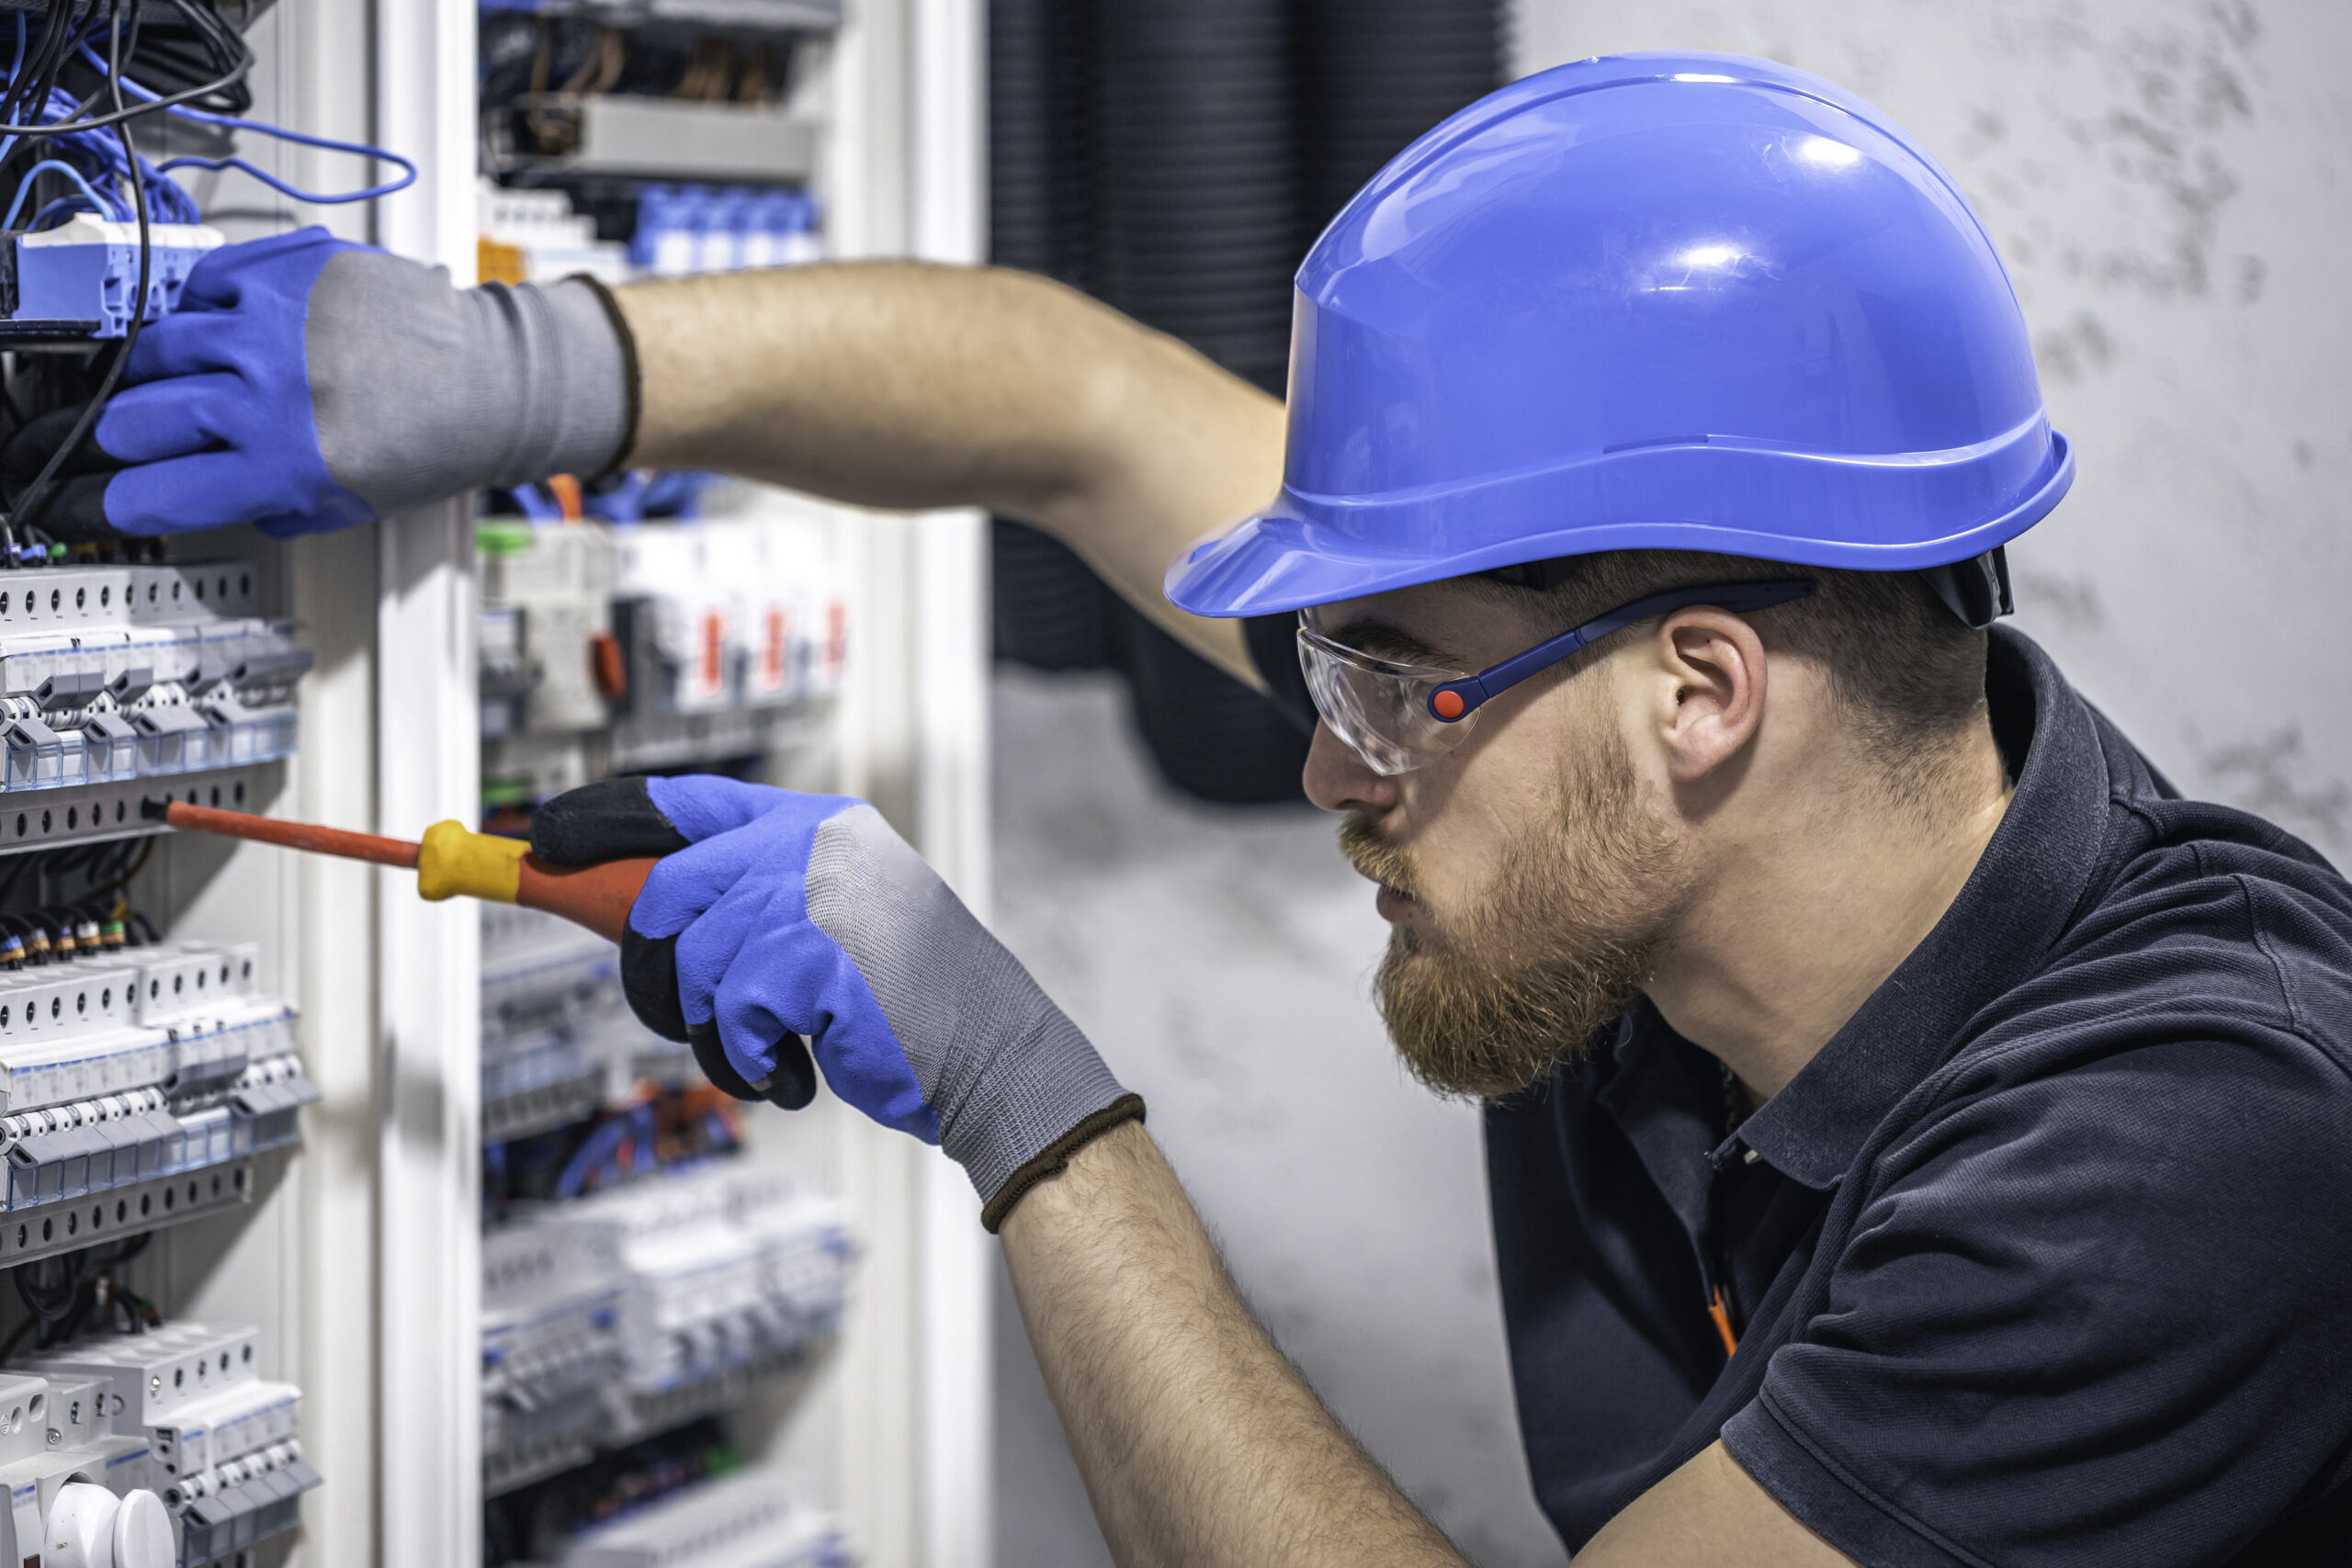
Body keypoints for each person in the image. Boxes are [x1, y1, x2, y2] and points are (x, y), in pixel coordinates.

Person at [18, 51, 2352, 1568]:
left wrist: (1033, 1108)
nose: (1330, 765)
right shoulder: (1606, 775)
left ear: (1701, 696)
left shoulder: (2183, 1141)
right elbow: (1065, 398)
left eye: (1385, 687)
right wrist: (551, 364)